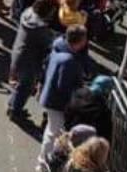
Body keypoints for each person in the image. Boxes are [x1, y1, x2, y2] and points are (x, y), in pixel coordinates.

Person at [39, 25, 92, 165]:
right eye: (85, 38)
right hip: (57, 103)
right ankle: (44, 164)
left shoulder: (59, 46)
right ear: (80, 41)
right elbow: (64, 87)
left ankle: (44, 162)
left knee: (50, 131)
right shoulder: (69, 61)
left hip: (50, 98)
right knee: (53, 135)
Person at [8, 0, 57, 122]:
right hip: (29, 62)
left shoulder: (28, 14)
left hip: (19, 54)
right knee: (26, 88)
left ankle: (12, 104)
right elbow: (49, 43)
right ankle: (15, 111)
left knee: (21, 85)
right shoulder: (39, 29)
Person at [64, 76, 116, 141]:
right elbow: (105, 133)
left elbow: (67, 112)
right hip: (88, 144)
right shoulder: (103, 110)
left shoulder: (76, 95)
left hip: (71, 136)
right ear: (106, 91)